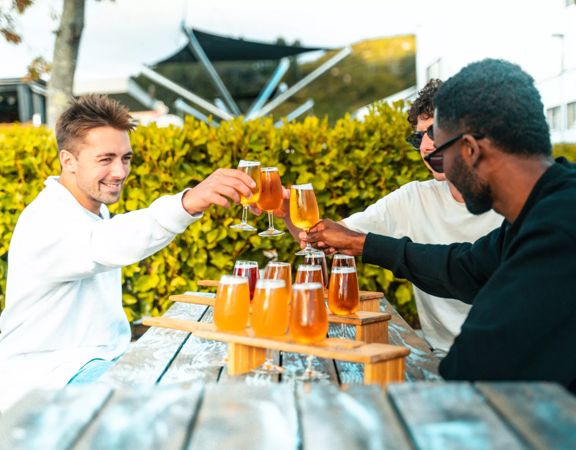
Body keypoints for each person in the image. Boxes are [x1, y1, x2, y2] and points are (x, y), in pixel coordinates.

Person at [303, 59, 576, 392]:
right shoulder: (546, 206)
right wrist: (361, 244)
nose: (433, 158)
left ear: (470, 151)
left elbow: (467, 369)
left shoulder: (557, 232)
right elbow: (464, 268)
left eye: (441, 151)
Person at [0, 94, 256, 411]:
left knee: (206, 379)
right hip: (47, 379)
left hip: (95, 363)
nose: (120, 172)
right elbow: (107, 242)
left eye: (126, 158)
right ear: (68, 161)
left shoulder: (90, 211)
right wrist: (188, 202)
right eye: (105, 159)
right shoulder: (46, 220)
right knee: (181, 408)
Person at [281, 79, 502, 356]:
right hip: (444, 357)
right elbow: (327, 238)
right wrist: (287, 210)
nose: (426, 147)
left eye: (434, 131)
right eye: (417, 138)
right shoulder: (414, 198)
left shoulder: (512, 200)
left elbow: (472, 271)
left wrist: (362, 244)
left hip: (516, 361)